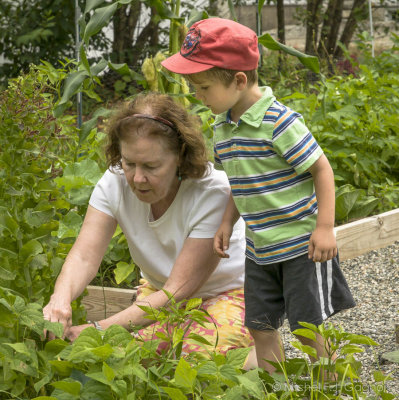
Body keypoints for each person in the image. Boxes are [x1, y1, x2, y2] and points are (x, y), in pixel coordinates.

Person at [161, 17, 356, 373]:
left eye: (202, 88)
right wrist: (225, 222)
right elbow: (241, 181)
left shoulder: (278, 122)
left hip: (300, 246)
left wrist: (325, 227)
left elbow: (321, 169)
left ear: (238, 80)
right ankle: (272, 388)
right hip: (259, 247)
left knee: (306, 328)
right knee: (259, 326)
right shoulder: (223, 126)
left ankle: (334, 388)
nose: (197, 97)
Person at [43, 92, 256, 366]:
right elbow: (84, 256)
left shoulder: (212, 194)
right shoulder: (114, 182)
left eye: (151, 166)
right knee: (132, 362)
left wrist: (99, 330)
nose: (138, 177)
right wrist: (59, 300)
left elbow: (177, 290)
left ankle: (259, 356)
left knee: (201, 365)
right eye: (129, 163)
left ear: (180, 155)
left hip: (226, 293)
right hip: (158, 292)